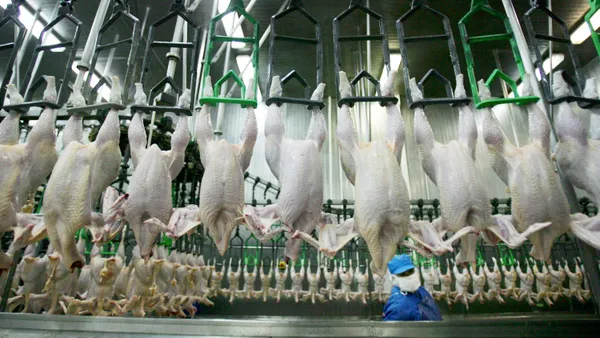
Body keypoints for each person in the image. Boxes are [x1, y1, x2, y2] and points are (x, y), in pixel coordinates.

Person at [383, 254, 442, 321]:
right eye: (403, 274)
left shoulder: (420, 290)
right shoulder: (398, 307)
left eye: (410, 271)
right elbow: (393, 330)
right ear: (393, 279)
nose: (409, 276)